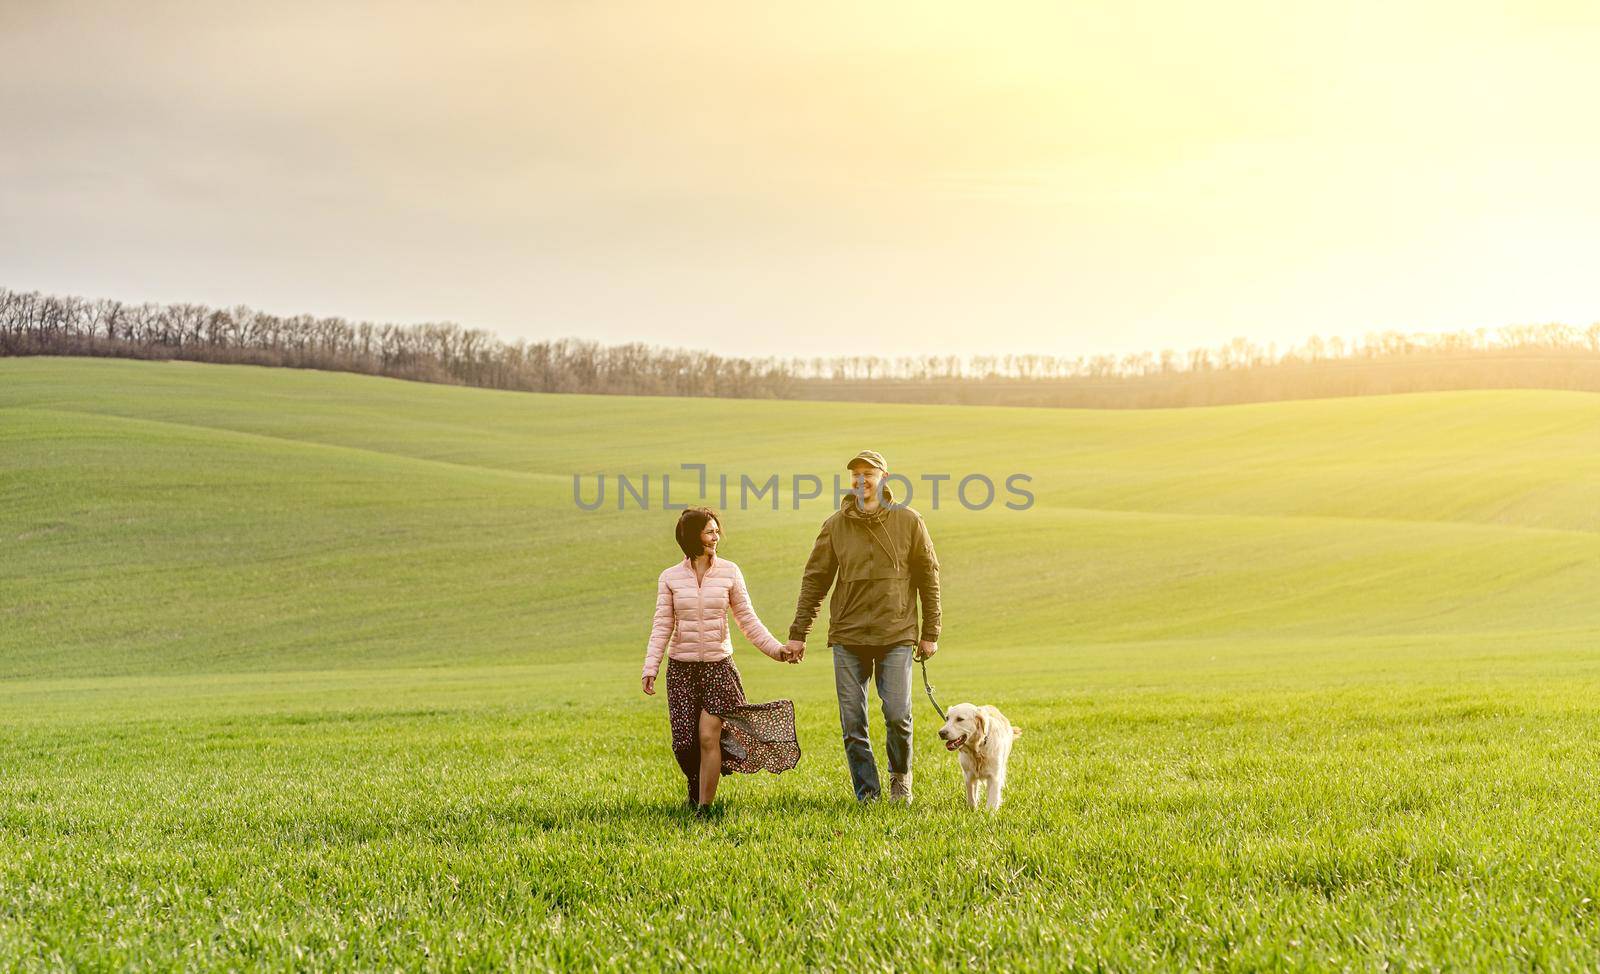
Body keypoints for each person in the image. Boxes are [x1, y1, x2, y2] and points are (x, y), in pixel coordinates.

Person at [786, 450, 941, 805]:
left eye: (868, 474)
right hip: (848, 634)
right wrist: (799, 633)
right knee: (853, 721)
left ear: (885, 478)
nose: (860, 480)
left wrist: (930, 631)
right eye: (855, 474)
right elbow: (815, 580)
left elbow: (928, 576)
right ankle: (867, 793)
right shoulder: (835, 525)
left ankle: (900, 780)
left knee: (898, 714)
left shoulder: (910, 521)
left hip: (896, 632)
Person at [642, 506, 799, 814]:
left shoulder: (730, 572)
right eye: (709, 532)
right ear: (691, 536)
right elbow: (662, 625)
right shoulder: (670, 578)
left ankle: (705, 807)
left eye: (717, 531)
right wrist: (651, 667)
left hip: (718, 668)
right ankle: (696, 783)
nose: (716, 537)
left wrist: (777, 650)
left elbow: (748, 621)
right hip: (681, 670)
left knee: (707, 737)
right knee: (685, 745)